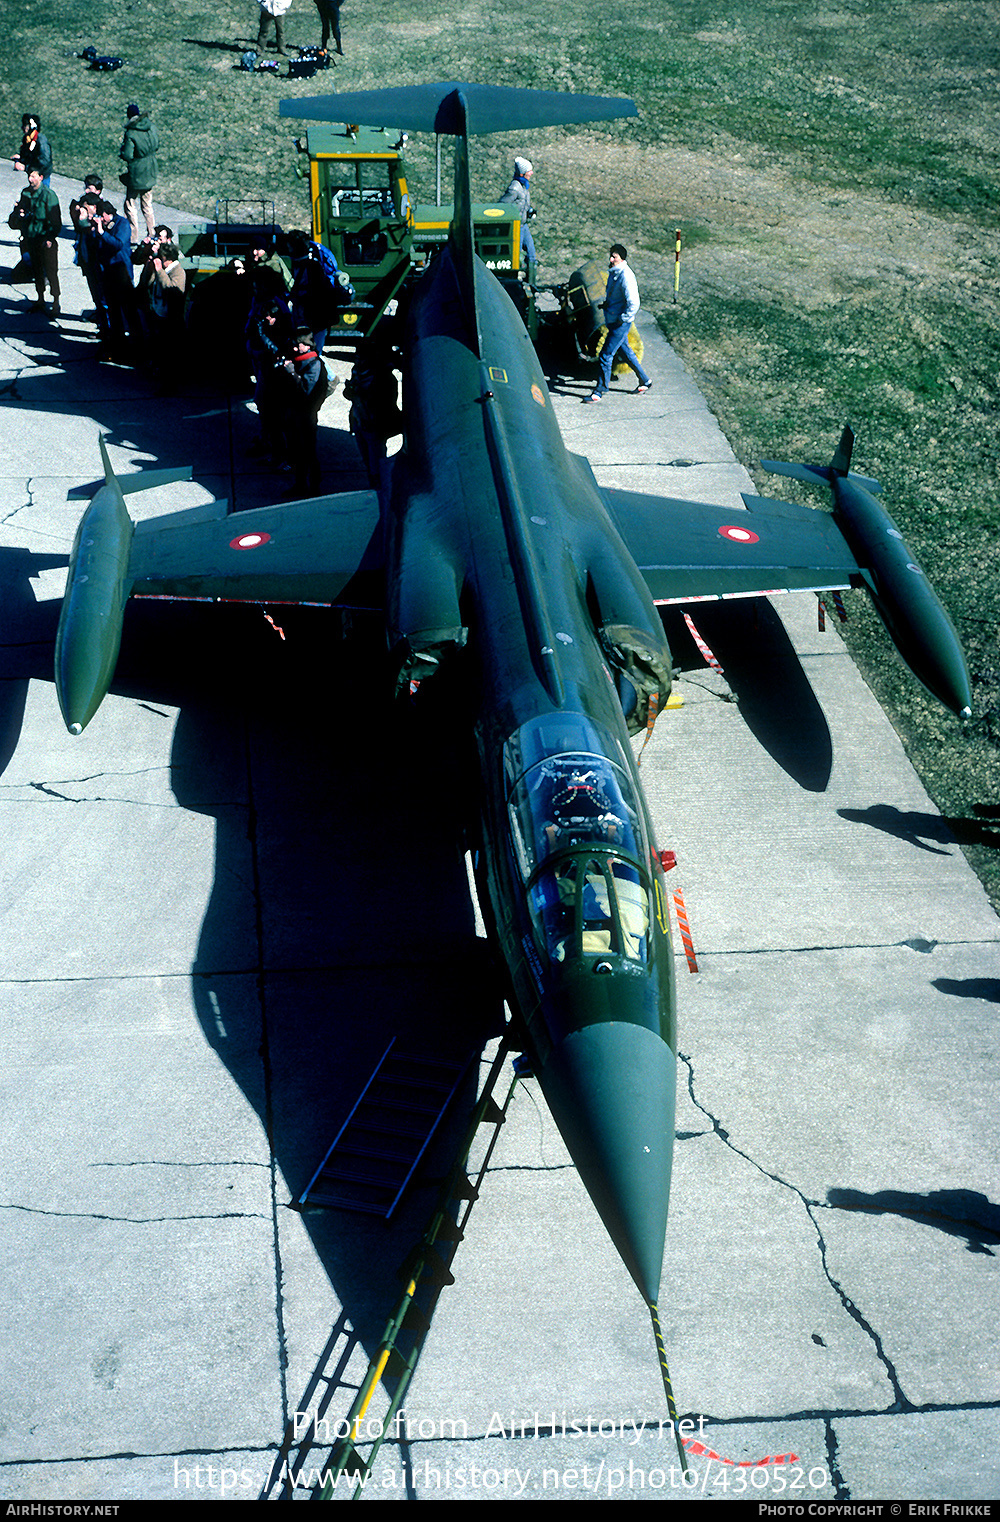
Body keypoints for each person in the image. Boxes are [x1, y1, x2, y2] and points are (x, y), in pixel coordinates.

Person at [583, 244, 652, 402]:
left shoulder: (626, 276)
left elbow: (633, 303)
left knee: (605, 355)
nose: (610, 259)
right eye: (611, 256)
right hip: (614, 320)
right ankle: (645, 381)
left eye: (614, 257)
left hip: (619, 323)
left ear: (622, 259)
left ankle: (599, 391)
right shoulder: (616, 272)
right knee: (626, 353)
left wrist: (623, 318)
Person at [277, 327, 329, 496]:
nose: (294, 348)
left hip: (306, 417)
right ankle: (300, 485)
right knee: (299, 453)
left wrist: (291, 372)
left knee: (308, 453)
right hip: (296, 415)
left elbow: (306, 391)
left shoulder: (314, 365)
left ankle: (313, 487)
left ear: (308, 345)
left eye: (298, 345)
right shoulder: (302, 360)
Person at [8, 168, 61, 316]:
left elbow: (55, 221)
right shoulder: (25, 193)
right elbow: (15, 221)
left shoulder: (49, 196)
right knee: (37, 271)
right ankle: (40, 300)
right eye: (29, 176)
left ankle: (56, 302)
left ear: (41, 177)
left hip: (45, 241)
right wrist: (19, 213)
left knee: (51, 273)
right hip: (31, 240)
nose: (30, 179)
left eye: (33, 176)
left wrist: (50, 237)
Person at [86, 199, 135, 358]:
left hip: (121, 272)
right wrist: (94, 230)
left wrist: (101, 232)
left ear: (108, 213)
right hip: (107, 272)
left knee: (127, 310)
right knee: (112, 310)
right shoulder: (102, 226)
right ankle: (115, 341)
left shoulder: (123, 224)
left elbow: (118, 244)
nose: (102, 219)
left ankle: (134, 342)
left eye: (102, 216)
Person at [119, 103, 159, 244]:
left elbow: (128, 155)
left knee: (130, 204)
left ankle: (133, 235)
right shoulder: (151, 127)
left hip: (137, 172)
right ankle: (152, 232)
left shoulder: (131, 133)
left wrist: (122, 151)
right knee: (147, 204)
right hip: (150, 169)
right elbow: (157, 145)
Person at [498, 155, 537, 270]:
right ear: (522, 173)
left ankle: (530, 280)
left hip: (523, 226)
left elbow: (522, 203)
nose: (531, 173)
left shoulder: (524, 186)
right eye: (529, 171)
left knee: (531, 254)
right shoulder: (514, 188)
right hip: (516, 228)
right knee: (515, 256)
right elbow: (502, 206)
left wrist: (529, 211)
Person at [13, 114, 52, 185]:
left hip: (41, 175)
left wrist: (25, 167)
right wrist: (20, 159)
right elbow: (28, 155)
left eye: (26, 125)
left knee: (41, 194)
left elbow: (44, 161)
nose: (23, 127)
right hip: (33, 173)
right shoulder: (27, 139)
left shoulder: (41, 141)